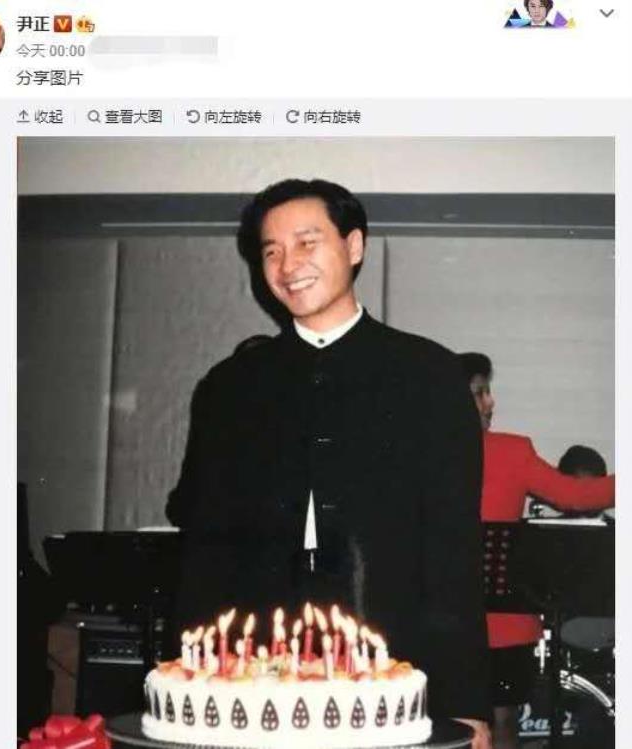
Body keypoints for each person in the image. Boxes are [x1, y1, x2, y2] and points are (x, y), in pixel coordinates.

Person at [168, 179, 492, 748]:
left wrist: (466, 701)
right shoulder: (229, 386)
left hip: (396, 661)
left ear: (354, 245)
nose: (287, 265)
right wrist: (190, 682)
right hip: (256, 669)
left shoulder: (430, 375)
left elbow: (453, 549)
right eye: (271, 251)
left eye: (306, 242)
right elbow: (205, 547)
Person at [457, 352, 615, 749]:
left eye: (488, 392)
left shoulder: (424, 453)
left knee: (471, 726)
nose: (490, 402)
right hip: (485, 623)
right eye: (480, 393)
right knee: (488, 725)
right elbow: (578, 496)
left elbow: (578, 494)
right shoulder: (506, 452)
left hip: (464, 622)